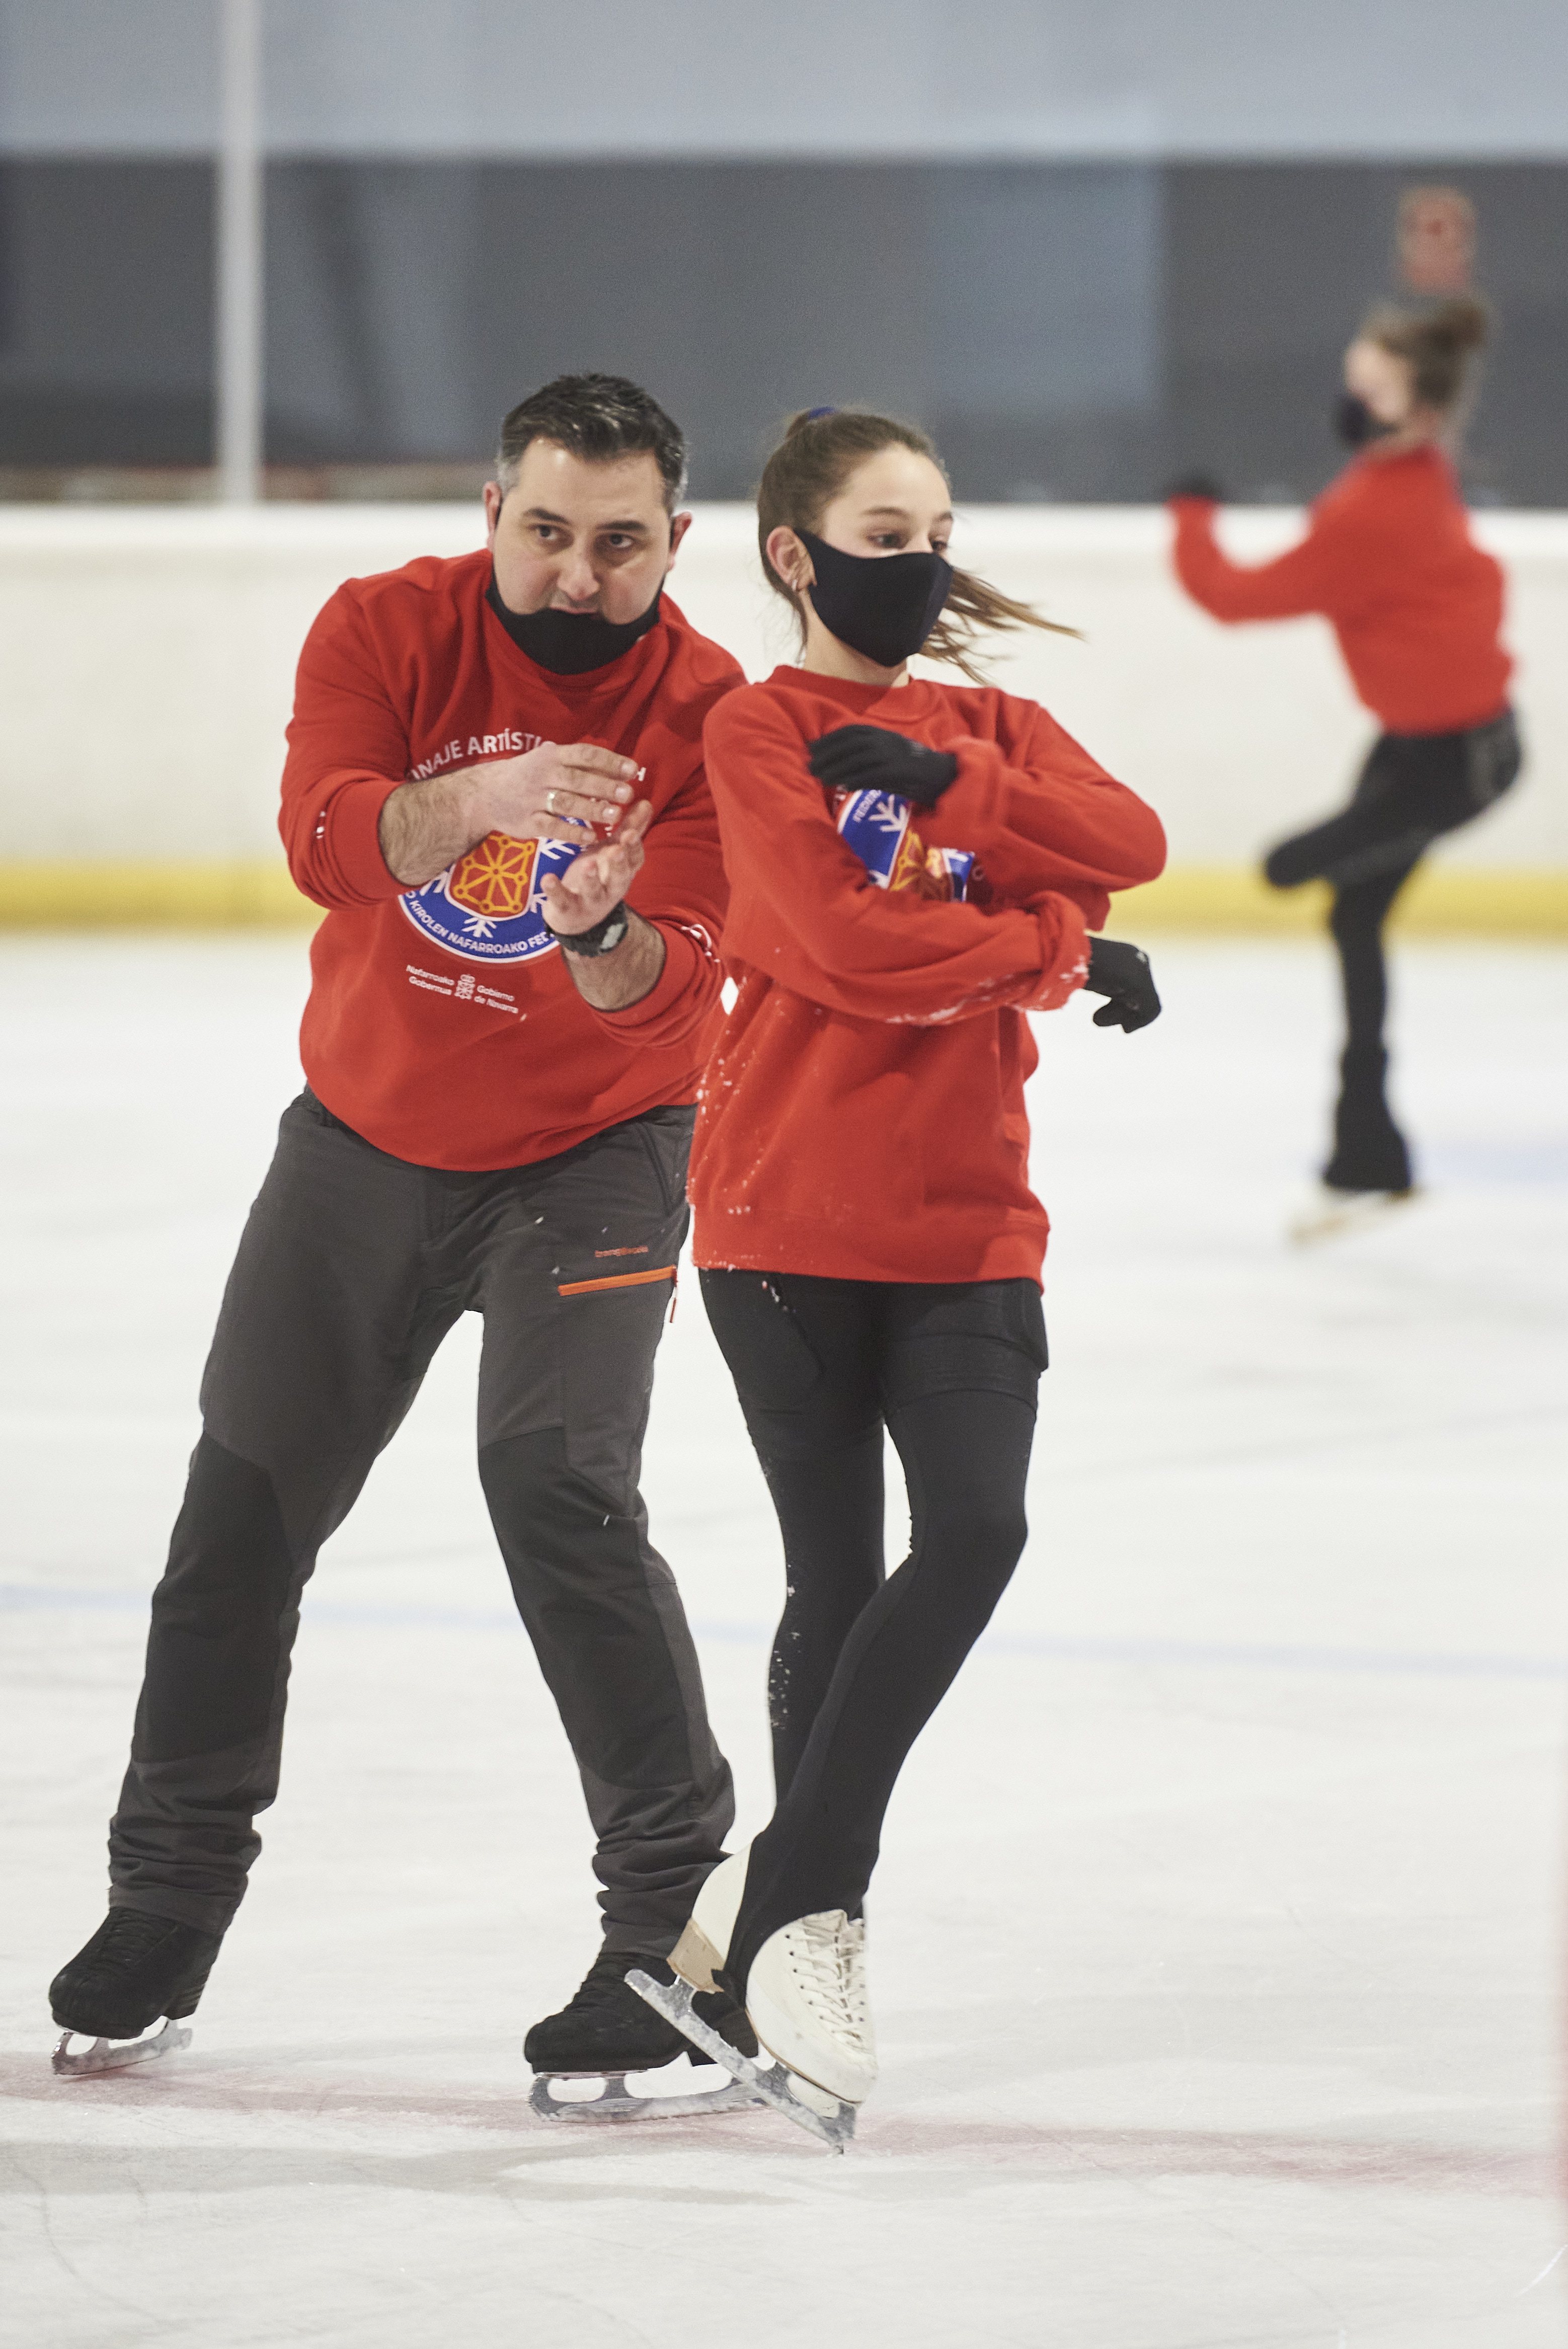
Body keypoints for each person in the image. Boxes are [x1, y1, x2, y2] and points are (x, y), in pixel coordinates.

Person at [48, 373, 744, 2085]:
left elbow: (682, 996)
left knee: (555, 1486)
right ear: (490, 507)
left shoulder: (716, 715)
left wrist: (596, 929)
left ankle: (666, 1929)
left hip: (590, 1153)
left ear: (678, 540)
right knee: (237, 1515)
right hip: (358, 1144)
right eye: (545, 531)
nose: (578, 573)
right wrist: (482, 796)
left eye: (620, 542)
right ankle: (167, 1896)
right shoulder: (382, 629)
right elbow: (324, 840)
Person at [633, 406, 1166, 2124]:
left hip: (967, 1222)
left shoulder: (983, 719)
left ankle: (787, 1902)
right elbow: (847, 950)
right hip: (786, 1218)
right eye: (881, 530)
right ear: (793, 552)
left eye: (933, 526)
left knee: (980, 1525)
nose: (917, 558)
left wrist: (961, 788)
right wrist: (1049, 939)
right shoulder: (757, 726)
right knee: (836, 1577)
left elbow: (1130, 835)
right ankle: (806, 1919)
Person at [1166, 297, 1521, 1241]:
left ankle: (1368, 1151)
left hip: (1461, 764)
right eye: (1352, 383)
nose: (1350, 402)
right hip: (1417, 746)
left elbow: (1235, 598)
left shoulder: (1375, 509)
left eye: (1369, 389)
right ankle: (1369, 1154)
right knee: (1353, 909)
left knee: (1294, 869)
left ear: (1420, 408)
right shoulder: (1411, 470)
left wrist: (1193, 515)